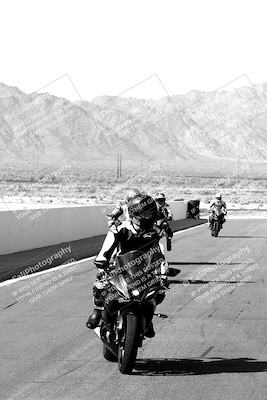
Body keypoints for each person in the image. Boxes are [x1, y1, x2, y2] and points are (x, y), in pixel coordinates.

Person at [86, 194, 168, 337]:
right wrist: (102, 264)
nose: (148, 217)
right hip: (120, 269)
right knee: (100, 286)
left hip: (145, 271)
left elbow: (160, 252)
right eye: (145, 214)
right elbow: (105, 250)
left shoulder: (156, 232)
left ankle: (147, 320)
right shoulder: (120, 230)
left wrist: (163, 270)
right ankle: (98, 311)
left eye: (150, 213)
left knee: (160, 291)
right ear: (135, 213)